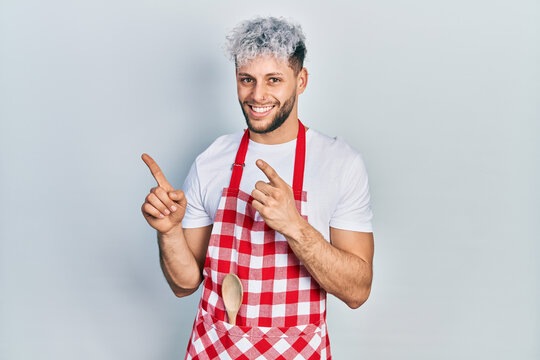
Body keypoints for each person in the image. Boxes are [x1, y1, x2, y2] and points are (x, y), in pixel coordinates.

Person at [141, 16, 374, 359]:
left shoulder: (340, 163)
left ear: (301, 80)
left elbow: (357, 290)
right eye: (246, 80)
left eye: (274, 80)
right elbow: (184, 284)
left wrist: (294, 226)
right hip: (217, 350)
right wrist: (170, 231)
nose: (257, 95)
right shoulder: (212, 160)